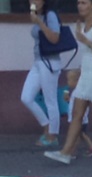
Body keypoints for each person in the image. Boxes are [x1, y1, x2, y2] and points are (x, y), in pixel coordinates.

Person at [44, 0, 92, 167]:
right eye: (79, 3)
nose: (80, 6)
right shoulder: (83, 26)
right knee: (77, 113)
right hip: (87, 74)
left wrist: (85, 41)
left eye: (84, 3)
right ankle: (65, 153)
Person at [21, 0, 67, 148]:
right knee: (26, 97)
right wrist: (36, 20)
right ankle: (47, 125)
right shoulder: (38, 15)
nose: (33, 1)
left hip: (49, 62)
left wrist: (39, 24)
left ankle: (52, 135)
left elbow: (55, 38)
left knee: (50, 100)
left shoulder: (50, 15)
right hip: (38, 61)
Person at [59, 68, 92, 158]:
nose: (68, 82)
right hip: (78, 119)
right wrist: (67, 99)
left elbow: (79, 106)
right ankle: (89, 149)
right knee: (80, 135)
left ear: (77, 81)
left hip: (80, 119)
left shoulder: (79, 93)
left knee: (78, 136)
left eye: (69, 80)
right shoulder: (76, 92)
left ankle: (72, 152)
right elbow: (73, 103)